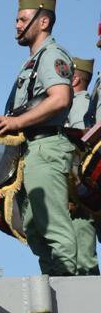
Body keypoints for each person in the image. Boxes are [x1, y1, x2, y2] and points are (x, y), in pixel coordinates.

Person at [0, 0, 76, 275]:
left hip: (46, 146)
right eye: (17, 19)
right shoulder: (32, 63)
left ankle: (71, 293)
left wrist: (17, 122)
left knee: (54, 227)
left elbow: (60, 98)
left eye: (23, 20)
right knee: (35, 229)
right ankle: (55, 288)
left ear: (44, 21)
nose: (17, 25)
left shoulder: (52, 55)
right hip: (29, 150)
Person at [66, 57, 99, 275]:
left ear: (76, 78)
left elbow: (83, 145)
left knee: (84, 255)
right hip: (81, 186)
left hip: (84, 187)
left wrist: (76, 187)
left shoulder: (78, 105)